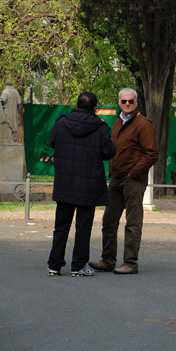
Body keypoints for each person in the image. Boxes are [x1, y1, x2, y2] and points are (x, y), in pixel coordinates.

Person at [89, 88, 158, 275]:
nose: (127, 104)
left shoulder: (144, 124)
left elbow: (152, 153)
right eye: (124, 101)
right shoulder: (118, 123)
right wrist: (112, 170)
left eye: (131, 101)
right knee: (109, 221)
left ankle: (130, 263)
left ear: (136, 103)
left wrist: (134, 173)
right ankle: (108, 260)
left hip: (132, 180)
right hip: (116, 178)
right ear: (119, 102)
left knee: (132, 223)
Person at [47, 92, 116, 276]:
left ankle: (54, 264)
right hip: (88, 186)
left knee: (61, 226)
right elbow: (108, 152)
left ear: (76, 105)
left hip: (65, 183)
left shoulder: (61, 122)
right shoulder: (101, 128)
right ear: (95, 108)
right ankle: (78, 266)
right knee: (83, 227)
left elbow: (51, 141)